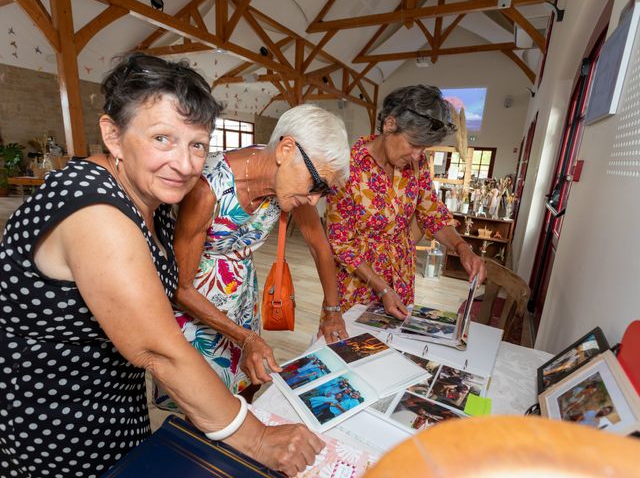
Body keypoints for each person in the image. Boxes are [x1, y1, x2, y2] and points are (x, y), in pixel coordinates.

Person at [0, 53, 323, 478]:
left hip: (114, 398)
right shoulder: (93, 208)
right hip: (54, 417)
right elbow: (156, 348)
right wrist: (258, 438)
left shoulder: (150, 195)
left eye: (197, 145)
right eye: (162, 139)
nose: (186, 164)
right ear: (113, 135)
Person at [154, 104, 350, 406]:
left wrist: (333, 310)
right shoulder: (208, 189)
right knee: (206, 404)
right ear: (285, 150)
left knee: (249, 387)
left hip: (241, 298)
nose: (314, 199)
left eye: (326, 191)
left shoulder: (286, 177)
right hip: (197, 309)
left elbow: (319, 246)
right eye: (317, 185)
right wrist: (245, 339)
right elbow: (181, 287)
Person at [326, 85, 486, 319]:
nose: (418, 156)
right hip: (358, 283)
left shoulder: (417, 165)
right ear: (390, 125)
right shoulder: (347, 168)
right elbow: (340, 244)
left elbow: (432, 215)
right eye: (413, 144)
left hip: (400, 276)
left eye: (424, 148)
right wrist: (382, 288)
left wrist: (462, 249)